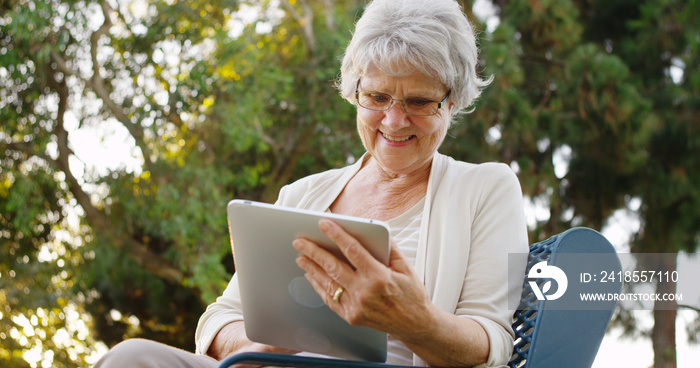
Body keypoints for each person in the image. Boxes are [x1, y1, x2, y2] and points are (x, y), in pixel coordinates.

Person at [94, 0, 528, 367]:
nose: (394, 121)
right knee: (132, 358)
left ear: (452, 102)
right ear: (355, 92)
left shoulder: (486, 188)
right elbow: (219, 317)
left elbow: (493, 341)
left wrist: (414, 321)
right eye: (377, 97)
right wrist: (259, 348)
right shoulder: (302, 194)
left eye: (417, 101)